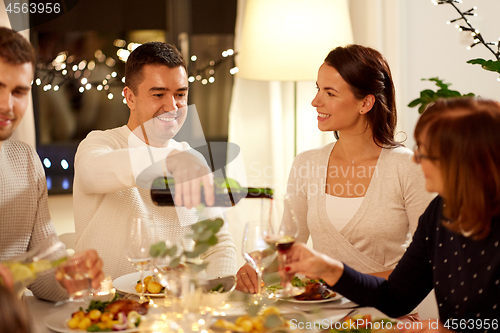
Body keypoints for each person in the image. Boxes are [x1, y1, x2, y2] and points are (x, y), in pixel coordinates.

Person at [282, 97, 500, 327]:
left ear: (463, 159)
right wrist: (329, 269)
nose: (415, 158)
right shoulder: (439, 213)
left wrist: (451, 329)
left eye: (425, 151)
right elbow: (394, 297)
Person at [237, 44, 434, 293]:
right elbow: (289, 248)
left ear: (365, 103)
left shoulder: (408, 167)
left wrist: (343, 285)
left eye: (330, 93)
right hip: (318, 311)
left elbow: (427, 264)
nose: (315, 101)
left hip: (384, 313)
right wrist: (257, 266)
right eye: (318, 89)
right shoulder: (306, 164)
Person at [73, 42, 237, 279]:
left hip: (176, 309)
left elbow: (219, 246)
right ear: (130, 97)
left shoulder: (191, 158)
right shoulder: (99, 144)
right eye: (158, 94)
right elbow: (91, 173)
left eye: (180, 95)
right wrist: (167, 163)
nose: (172, 107)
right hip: (104, 308)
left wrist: (215, 295)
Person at [0, 27, 104, 302]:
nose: (6, 105)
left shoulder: (25, 161)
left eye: (19, 92)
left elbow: (44, 271)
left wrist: (70, 276)